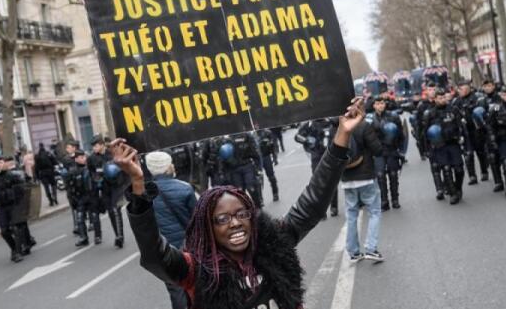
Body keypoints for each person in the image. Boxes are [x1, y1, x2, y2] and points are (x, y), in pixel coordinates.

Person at [114, 98, 364, 309]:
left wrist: (342, 135)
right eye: (222, 219)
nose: (235, 223)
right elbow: (154, 256)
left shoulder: (274, 244)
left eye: (242, 214)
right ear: (208, 228)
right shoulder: (196, 270)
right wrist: (138, 183)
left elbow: (313, 202)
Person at [145, 151, 197, 309]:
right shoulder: (185, 188)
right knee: (196, 285)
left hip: (163, 250)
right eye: (171, 163)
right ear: (167, 167)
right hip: (188, 248)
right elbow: (197, 220)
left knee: (175, 289)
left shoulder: (145, 194)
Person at [340, 118, 384, 262]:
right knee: (374, 212)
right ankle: (371, 249)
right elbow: (378, 150)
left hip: (347, 178)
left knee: (351, 215)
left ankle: (353, 252)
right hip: (366, 177)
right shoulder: (363, 125)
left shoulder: (338, 127)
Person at [423, 87, 467, 204]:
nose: (442, 99)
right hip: (440, 146)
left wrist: (464, 142)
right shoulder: (430, 114)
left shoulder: (453, 110)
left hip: (453, 143)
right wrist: (427, 150)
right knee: (446, 169)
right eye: (439, 98)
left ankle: (458, 188)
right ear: (435, 99)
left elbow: (461, 126)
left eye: (443, 97)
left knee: (459, 169)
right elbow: (425, 134)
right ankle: (453, 194)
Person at [295, 118, 338, 217]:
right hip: (316, 157)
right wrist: (307, 140)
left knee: (332, 182)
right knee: (318, 185)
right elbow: (297, 137)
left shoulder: (330, 122)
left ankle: (334, 207)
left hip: (330, 155)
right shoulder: (309, 124)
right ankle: (322, 211)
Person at [0, 156, 28, 262]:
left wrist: (15, 196)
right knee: (4, 231)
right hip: (2, 206)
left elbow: (22, 189)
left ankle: (18, 252)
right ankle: (14, 248)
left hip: (14, 205)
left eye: (1, 162)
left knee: (16, 228)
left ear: (6, 164)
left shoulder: (12, 176)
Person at [88, 135, 126, 248]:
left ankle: (120, 237)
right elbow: (91, 172)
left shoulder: (112, 153)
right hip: (103, 187)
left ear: (102, 145)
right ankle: (117, 234)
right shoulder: (91, 158)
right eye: (93, 146)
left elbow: (122, 167)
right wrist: (96, 177)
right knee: (110, 212)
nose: (94, 148)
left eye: (96, 146)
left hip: (116, 186)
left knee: (115, 209)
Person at [368, 97, 405, 211]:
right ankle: (384, 201)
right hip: (378, 151)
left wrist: (401, 151)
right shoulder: (370, 119)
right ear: (374, 105)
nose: (380, 105)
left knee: (393, 174)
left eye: (382, 103)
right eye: (378, 103)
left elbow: (401, 134)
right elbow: (367, 137)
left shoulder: (393, 116)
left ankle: (395, 200)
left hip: (391, 149)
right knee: (380, 176)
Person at [454, 80, 487, 184]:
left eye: (461, 89)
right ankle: (472, 176)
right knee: (468, 155)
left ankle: (484, 172)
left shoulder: (477, 98)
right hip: (465, 131)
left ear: (467, 88)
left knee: (480, 152)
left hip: (476, 130)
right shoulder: (456, 102)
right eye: (459, 89)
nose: (459, 91)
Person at [219, 132, 263, 208]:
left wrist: (258, 167)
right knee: (239, 192)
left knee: (251, 187)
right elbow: (223, 157)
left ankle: (258, 207)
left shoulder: (246, 136)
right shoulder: (226, 139)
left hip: (247, 165)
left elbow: (254, 151)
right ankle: (245, 209)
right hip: (234, 169)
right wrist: (223, 172)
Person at [68, 150, 102, 246]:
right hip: (81, 197)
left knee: (95, 216)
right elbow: (70, 187)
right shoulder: (73, 171)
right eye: (81, 157)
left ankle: (98, 236)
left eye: (84, 157)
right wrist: (73, 199)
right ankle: (83, 237)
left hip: (92, 196)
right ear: (76, 159)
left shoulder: (90, 168)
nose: (84, 159)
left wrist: (98, 194)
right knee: (80, 218)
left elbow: (98, 180)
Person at [478, 79, 504, 191]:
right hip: (488, 132)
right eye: (485, 86)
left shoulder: (500, 97)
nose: (487, 88)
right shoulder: (481, 101)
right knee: (493, 158)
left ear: (493, 86)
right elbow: (477, 118)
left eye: (489, 85)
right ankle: (498, 182)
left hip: (501, 130)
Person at [485, 84, 506, 195]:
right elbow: (490, 125)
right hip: (503, 139)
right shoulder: (495, 108)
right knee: (505, 162)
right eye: (504, 94)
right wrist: (492, 139)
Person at [255, 128, 280, 202]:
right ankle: (260, 199)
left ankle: (275, 193)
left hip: (266, 157)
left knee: (271, 177)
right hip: (257, 159)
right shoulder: (252, 134)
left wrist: (275, 158)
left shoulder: (267, 133)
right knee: (258, 179)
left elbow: (273, 145)